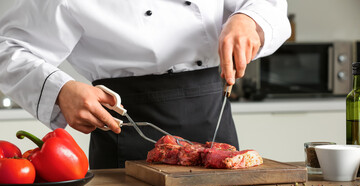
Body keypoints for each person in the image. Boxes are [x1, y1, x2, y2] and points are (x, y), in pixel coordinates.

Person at [0, 0, 291, 169]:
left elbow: (268, 5)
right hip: (127, 128)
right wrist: (60, 90)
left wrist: (249, 18)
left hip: (215, 116)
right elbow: (8, 47)